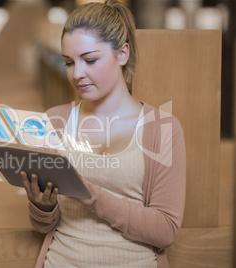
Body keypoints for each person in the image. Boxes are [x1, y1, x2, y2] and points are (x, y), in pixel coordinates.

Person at [19, 1, 186, 267]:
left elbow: (165, 230)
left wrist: (90, 194)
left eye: (90, 60)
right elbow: (44, 226)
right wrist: (42, 205)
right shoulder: (54, 121)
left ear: (122, 54)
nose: (77, 74)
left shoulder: (162, 128)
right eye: (69, 63)